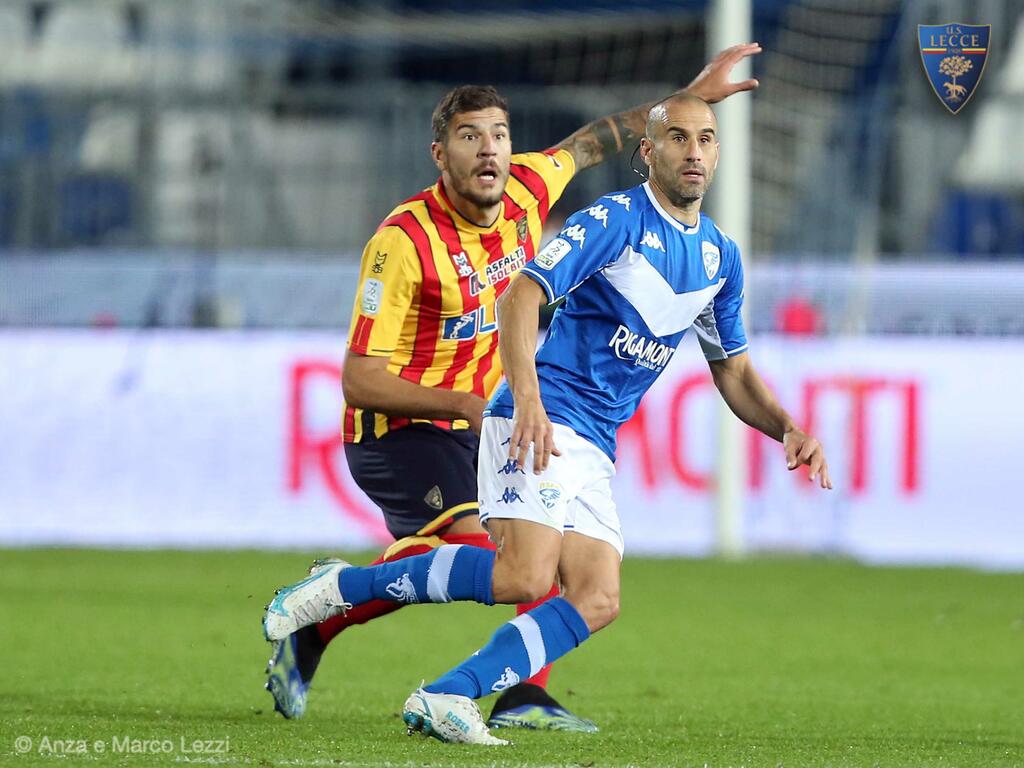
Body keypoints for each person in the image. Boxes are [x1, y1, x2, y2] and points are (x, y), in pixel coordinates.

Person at [264, 91, 832, 746]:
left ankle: (451, 693)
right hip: (541, 415)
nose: (694, 152)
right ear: (648, 154)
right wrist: (528, 400)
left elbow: (731, 369)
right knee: (523, 575)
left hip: (594, 441)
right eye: (677, 138)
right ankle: (343, 589)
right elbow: (519, 297)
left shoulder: (721, 257)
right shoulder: (614, 221)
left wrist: (788, 427)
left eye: (705, 139)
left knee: (597, 596)